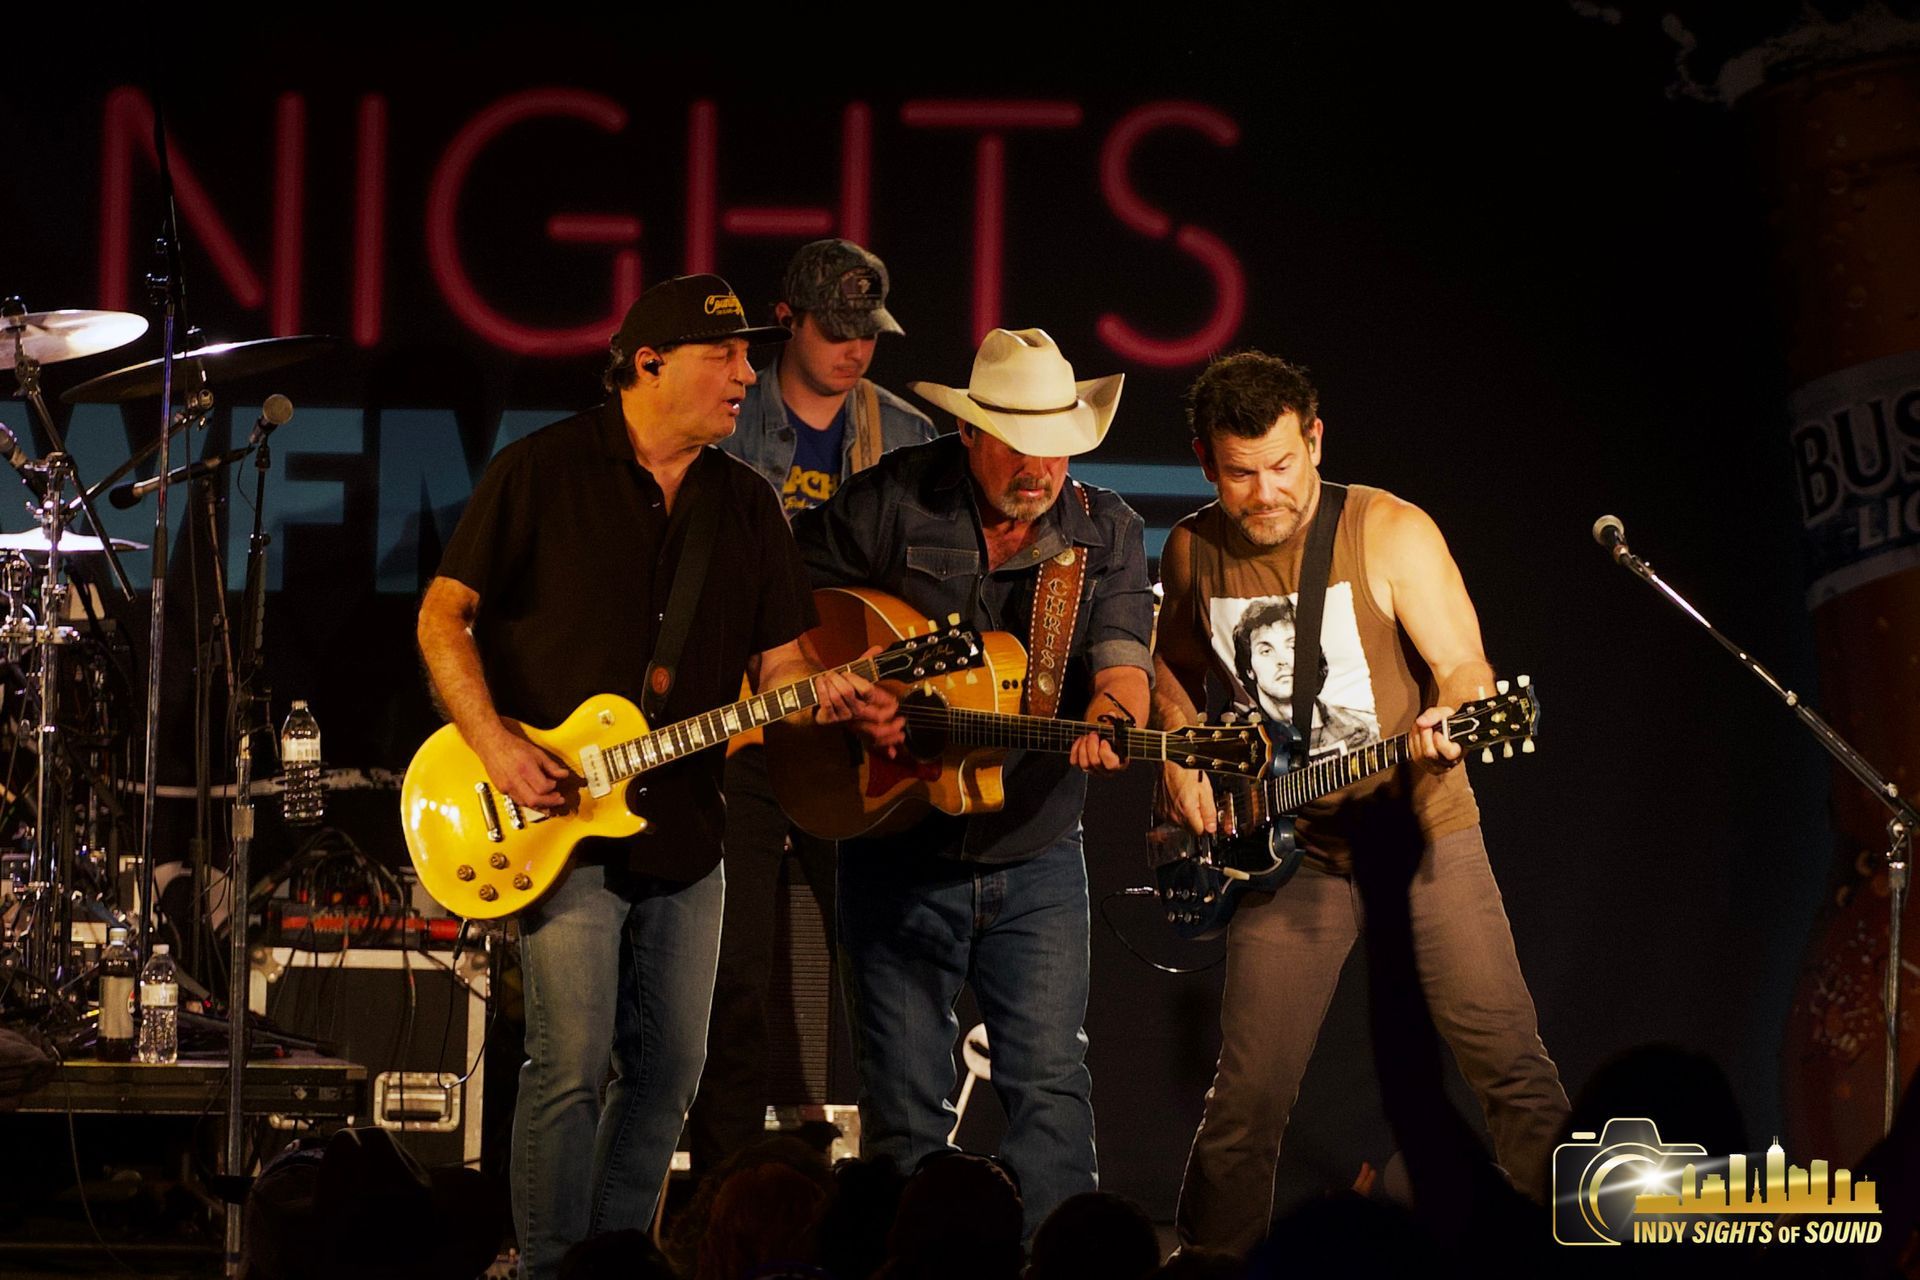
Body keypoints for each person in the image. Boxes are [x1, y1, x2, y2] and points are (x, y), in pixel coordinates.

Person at [414, 273, 895, 1280]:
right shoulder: (541, 470)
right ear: (649, 363)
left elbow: (781, 669)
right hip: (555, 821)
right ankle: (551, 1267)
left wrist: (826, 693)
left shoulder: (746, 503)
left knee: (670, 1073)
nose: (747, 374)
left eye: (748, 355)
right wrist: (495, 744)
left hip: (688, 827)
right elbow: (442, 614)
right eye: (725, 356)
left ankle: (614, 1261)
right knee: (570, 1062)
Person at [1152, 351, 1567, 1254]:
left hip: (1421, 835)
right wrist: (1180, 754)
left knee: (1510, 1071)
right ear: (1204, 462)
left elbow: (1465, 667)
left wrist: (1456, 713)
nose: (1265, 493)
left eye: (1282, 466)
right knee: (1246, 1102)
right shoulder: (1190, 549)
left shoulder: (1387, 530)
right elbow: (1170, 671)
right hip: (1288, 854)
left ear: (1315, 440)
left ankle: (1569, 1257)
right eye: (1240, 474)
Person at [787, 327, 1154, 1236]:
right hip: (894, 839)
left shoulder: (1104, 531)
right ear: (969, 434)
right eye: (1018, 446)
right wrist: (847, 694)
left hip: (1034, 845)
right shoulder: (891, 500)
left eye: (1056, 447)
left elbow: (1122, 669)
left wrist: (1114, 721)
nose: (1039, 469)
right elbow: (785, 610)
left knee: (1050, 1087)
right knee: (903, 1104)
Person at [692, 239, 934, 1174]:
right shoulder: (724, 419)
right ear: (785, 321)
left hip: (854, 735)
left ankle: (889, 1190)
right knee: (735, 971)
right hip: (747, 730)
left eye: (866, 332)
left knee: (881, 968)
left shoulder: (907, 435)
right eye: (834, 330)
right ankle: (722, 1190)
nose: (854, 350)